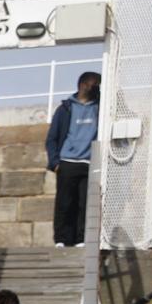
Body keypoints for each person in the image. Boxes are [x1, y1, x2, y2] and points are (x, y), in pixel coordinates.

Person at [46, 70, 99, 248]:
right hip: (67, 162)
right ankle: (61, 239)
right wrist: (55, 164)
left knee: (85, 204)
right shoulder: (65, 109)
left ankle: (81, 239)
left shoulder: (100, 107)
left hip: (89, 163)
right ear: (83, 85)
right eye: (94, 84)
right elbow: (52, 138)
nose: (96, 88)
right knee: (65, 203)